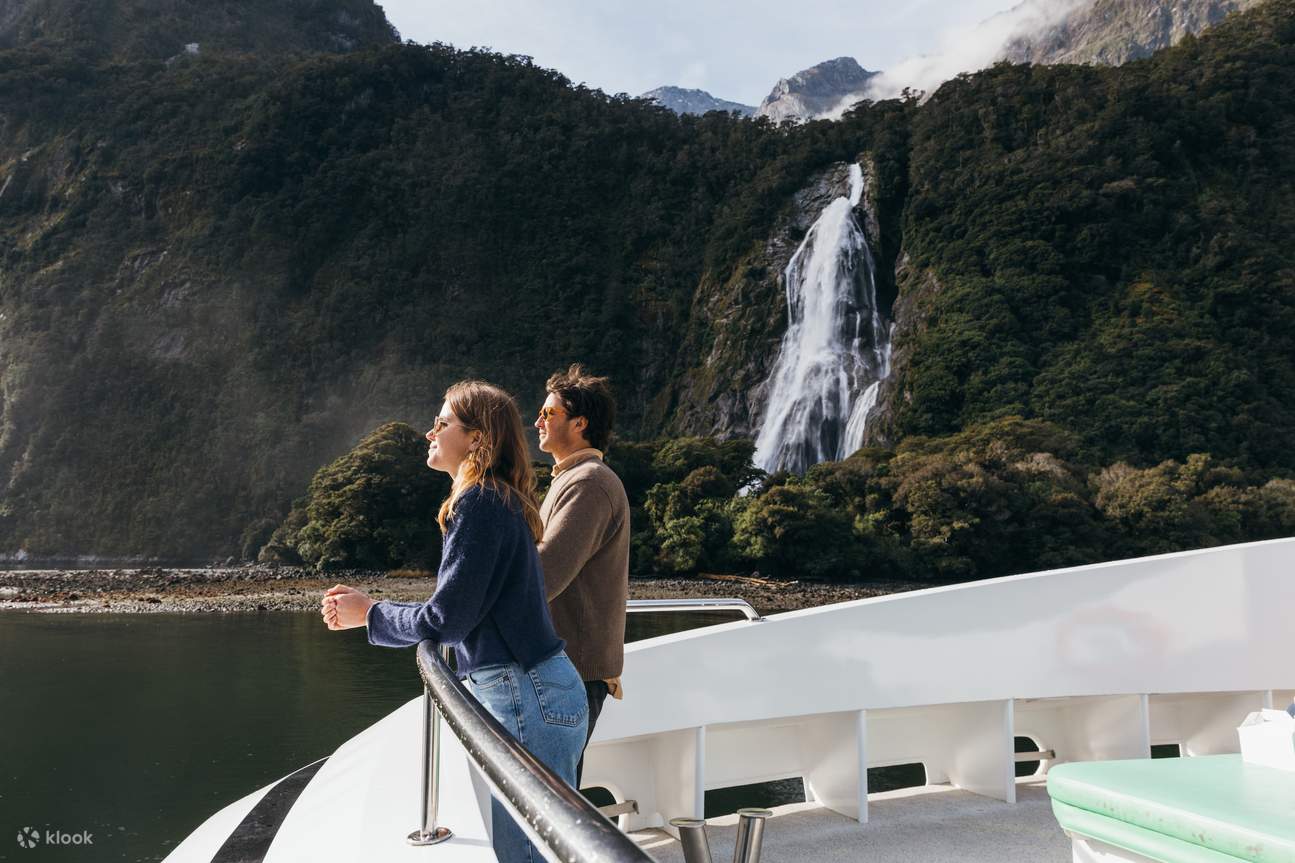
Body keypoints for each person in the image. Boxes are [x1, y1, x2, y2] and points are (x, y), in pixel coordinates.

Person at [321, 380, 587, 863]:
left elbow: (447, 621)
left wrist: (370, 614)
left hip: (524, 696)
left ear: (476, 438)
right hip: (535, 691)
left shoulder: (479, 503)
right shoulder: (495, 499)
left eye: (442, 423)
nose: (430, 433)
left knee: (527, 856)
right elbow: (462, 609)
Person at [533, 365, 631, 788]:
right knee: (552, 789)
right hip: (566, 665)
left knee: (551, 794)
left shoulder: (589, 483)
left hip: (572, 670)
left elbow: (544, 574)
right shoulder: (570, 479)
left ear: (580, 423)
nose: (537, 421)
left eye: (549, 413)